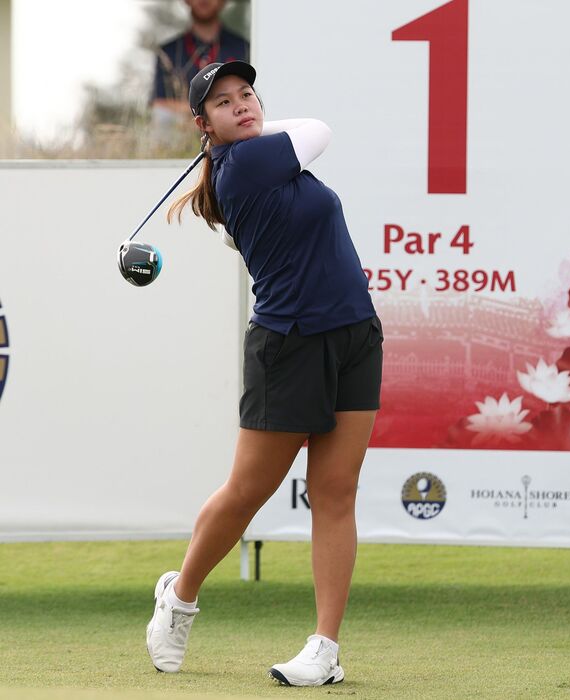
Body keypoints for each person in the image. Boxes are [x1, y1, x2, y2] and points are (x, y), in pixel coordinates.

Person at [145, 60, 383, 687]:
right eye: (224, 103)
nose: (243, 105)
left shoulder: (258, 160)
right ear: (202, 124)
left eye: (247, 95)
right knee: (248, 491)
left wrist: (234, 128)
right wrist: (240, 135)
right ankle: (180, 597)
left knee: (336, 492)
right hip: (290, 343)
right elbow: (319, 128)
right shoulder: (247, 162)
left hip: (355, 332)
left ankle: (325, 650)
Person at [152, 0, 249, 117]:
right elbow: (160, 106)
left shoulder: (243, 48)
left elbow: (250, 99)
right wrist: (215, 110)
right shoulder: (168, 52)